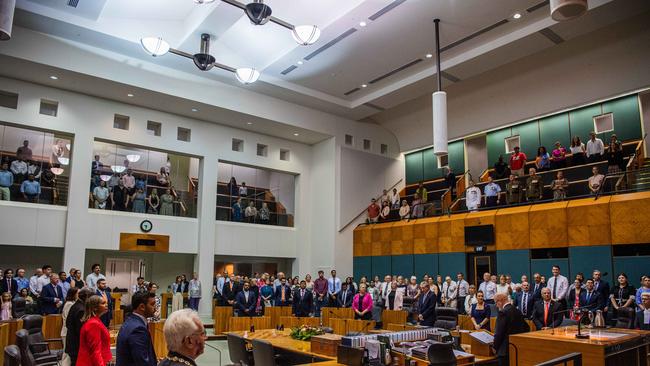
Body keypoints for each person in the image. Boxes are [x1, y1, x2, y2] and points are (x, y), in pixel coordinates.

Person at [116, 291, 157, 366]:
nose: (155, 308)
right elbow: (142, 362)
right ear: (142, 307)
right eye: (152, 304)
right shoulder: (138, 329)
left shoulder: (131, 320)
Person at [493, 293, 530, 366]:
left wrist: (495, 347)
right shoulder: (517, 311)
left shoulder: (502, 312)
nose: (496, 306)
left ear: (500, 301)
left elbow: (498, 333)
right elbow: (527, 328)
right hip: (516, 348)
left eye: (496, 303)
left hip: (504, 351)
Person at [77, 295, 112, 366]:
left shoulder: (96, 321)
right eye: (103, 303)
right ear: (95, 308)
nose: (106, 305)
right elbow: (95, 351)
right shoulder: (93, 324)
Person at [65, 288, 94, 365]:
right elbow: (81, 331)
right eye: (91, 298)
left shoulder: (76, 305)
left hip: (73, 344)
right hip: (77, 346)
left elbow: (67, 323)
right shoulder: (81, 310)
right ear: (87, 297)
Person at [61, 287, 78, 365]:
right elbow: (69, 320)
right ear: (73, 294)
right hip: (66, 332)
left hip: (69, 332)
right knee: (66, 354)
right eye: (77, 293)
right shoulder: (69, 304)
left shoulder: (73, 303)